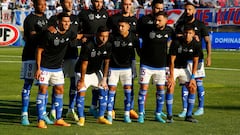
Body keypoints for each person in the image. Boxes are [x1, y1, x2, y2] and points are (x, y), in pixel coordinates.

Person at [35, 12, 81, 128]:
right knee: (43, 89)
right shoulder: (49, 33)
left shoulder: (70, 32)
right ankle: (40, 120)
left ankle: (59, 119)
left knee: (60, 90)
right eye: (64, 21)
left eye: (68, 22)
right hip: (45, 66)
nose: (66, 24)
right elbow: (39, 50)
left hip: (57, 68)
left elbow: (78, 36)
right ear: (58, 22)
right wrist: (38, 68)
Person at [175, 1, 211, 117]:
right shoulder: (181, 24)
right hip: (184, 58)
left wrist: (209, 56)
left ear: (194, 11)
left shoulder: (200, 25)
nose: (187, 11)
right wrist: (186, 36)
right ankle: (185, 109)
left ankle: (201, 107)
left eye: (190, 9)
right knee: (185, 83)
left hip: (197, 58)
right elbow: (176, 36)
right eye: (186, 9)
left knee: (198, 82)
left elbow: (207, 41)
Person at [137, 11, 175, 123]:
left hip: (161, 66)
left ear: (166, 21)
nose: (157, 22)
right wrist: (140, 53)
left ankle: (158, 114)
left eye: (159, 20)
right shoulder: (147, 29)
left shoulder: (169, 31)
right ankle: (140, 114)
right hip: (146, 65)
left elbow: (176, 38)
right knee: (143, 89)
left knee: (160, 90)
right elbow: (136, 37)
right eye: (156, 20)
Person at [47, 0, 82, 122]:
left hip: (72, 54)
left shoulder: (76, 18)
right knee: (56, 84)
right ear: (61, 4)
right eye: (67, 2)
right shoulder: (54, 18)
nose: (70, 4)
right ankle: (52, 109)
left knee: (74, 83)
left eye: (71, 2)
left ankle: (70, 109)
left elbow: (79, 34)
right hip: (58, 57)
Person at [20, 0, 50, 126]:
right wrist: (44, 33)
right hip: (30, 56)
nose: (43, 7)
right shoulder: (29, 19)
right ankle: (24, 114)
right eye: (40, 4)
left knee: (44, 85)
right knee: (28, 84)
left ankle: (43, 114)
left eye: (44, 5)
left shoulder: (45, 18)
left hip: (43, 58)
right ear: (34, 5)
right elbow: (31, 38)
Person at [107, 0, 139, 119]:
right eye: (125, 4)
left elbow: (137, 37)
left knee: (129, 85)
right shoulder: (114, 19)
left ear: (132, 5)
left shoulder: (135, 20)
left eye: (129, 4)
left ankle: (130, 108)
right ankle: (112, 109)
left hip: (130, 58)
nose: (127, 6)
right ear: (121, 5)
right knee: (112, 85)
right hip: (115, 57)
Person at [75, 26, 112, 126]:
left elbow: (107, 62)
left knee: (104, 89)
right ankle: (81, 118)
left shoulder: (108, 45)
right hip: (82, 72)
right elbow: (84, 64)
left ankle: (100, 117)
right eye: (102, 36)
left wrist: (104, 79)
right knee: (81, 92)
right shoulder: (88, 45)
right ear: (96, 35)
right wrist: (82, 80)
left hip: (95, 71)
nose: (104, 39)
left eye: (106, 36)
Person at [78, 0, 109, 118]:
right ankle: (72, 107)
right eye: (96, 1)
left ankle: (93, 107)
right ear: (92, 2)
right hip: (88, 50)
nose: (98, 4)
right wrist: (83, 37)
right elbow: (79, 31)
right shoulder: (84, 14)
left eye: (100, 2)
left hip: (100, 51)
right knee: (79, 81)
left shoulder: (106, 14)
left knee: (100, 82)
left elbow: (107, 31)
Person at [166, 24, 201, 123]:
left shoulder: (196, 44)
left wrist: (193, 77)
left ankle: (189, 115)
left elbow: (195, 61)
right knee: (170, 86)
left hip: (184, 67)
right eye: (186, 32)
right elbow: (171, 61)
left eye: (190, 33)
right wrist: (171, 76)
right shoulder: (176, 42)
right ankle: (169, 116)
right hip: (173, 67)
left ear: (193, 34)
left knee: (193, 87)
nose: (187, 35)